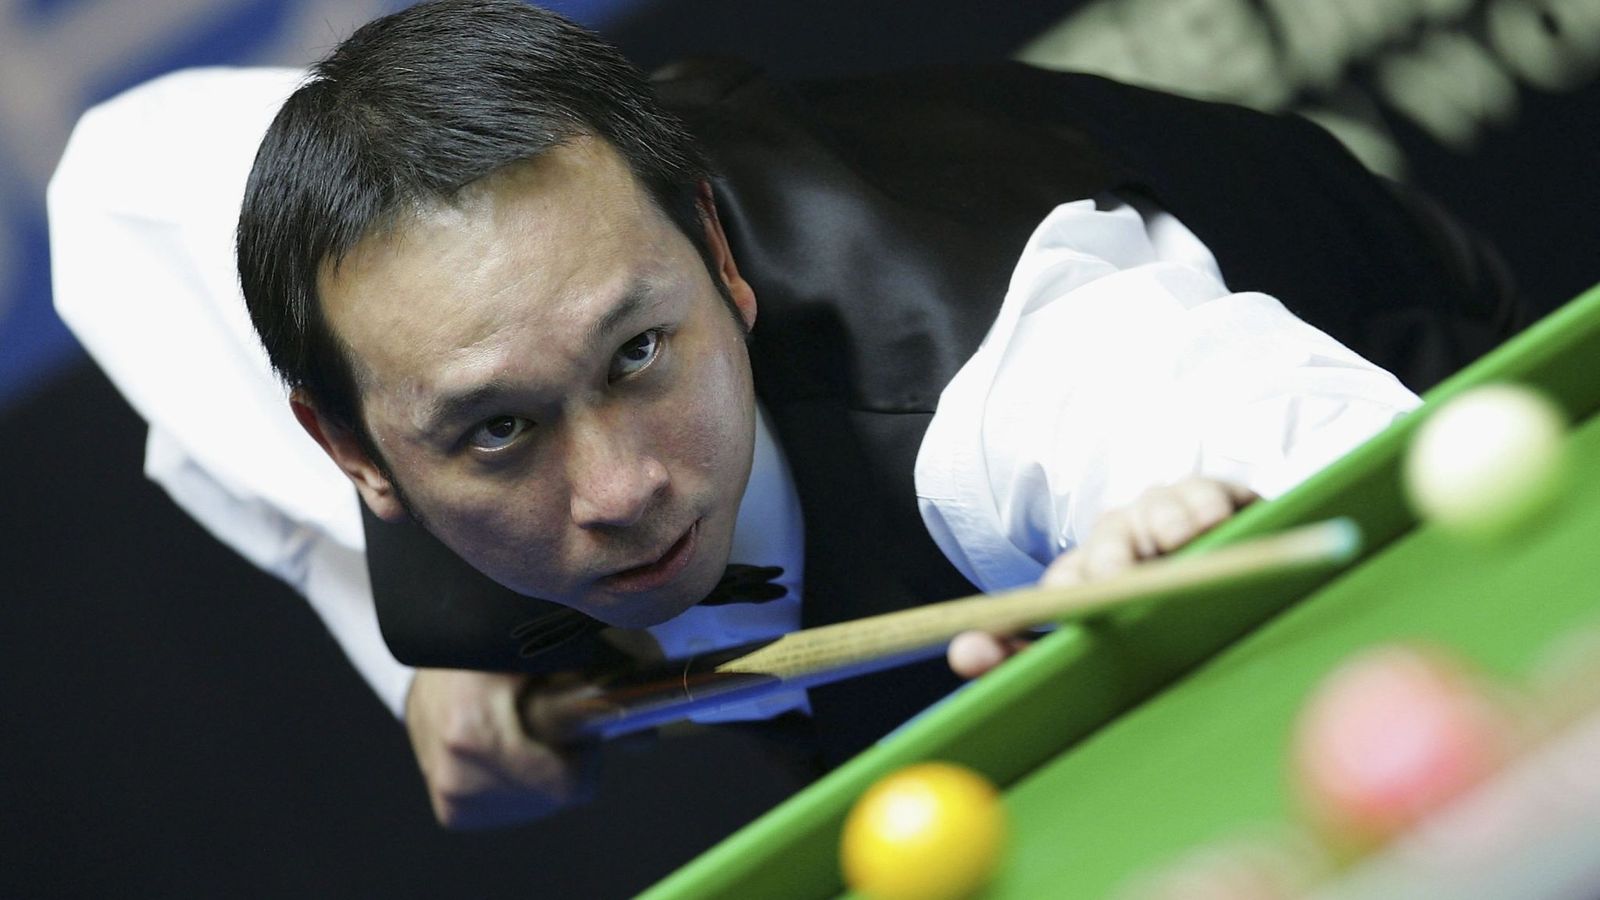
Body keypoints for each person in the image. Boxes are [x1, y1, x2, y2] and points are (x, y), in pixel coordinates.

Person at [52, 0, 1518, 831]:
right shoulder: (342, 306)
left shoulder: (995, 364)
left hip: (1426, 375)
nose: (619, 490)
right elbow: (113, 186)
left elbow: (1244, 418)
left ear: (720, 256)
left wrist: (1204, 505)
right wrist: (417, 679)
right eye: (498, 432)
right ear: (351, 452)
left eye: (638, 354)